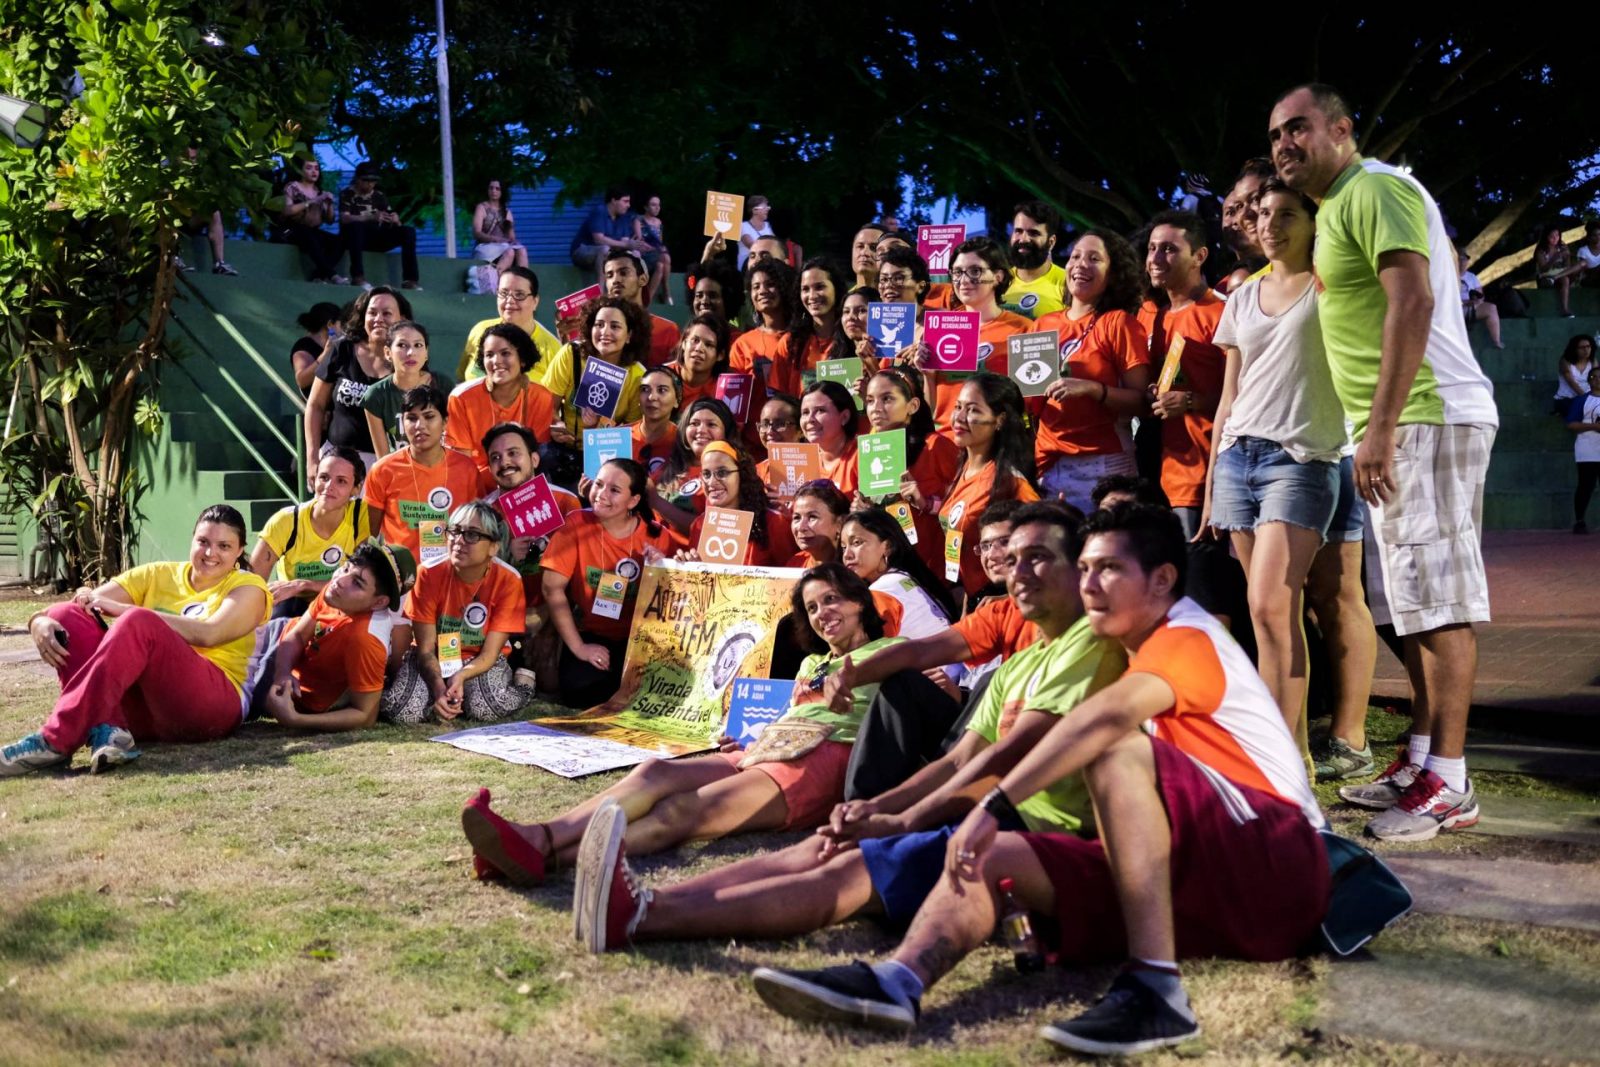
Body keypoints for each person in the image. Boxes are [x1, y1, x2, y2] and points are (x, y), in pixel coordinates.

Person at [749, 505, 1328, 1057]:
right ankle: (898, 981)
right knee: (991, 854)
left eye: (1109, 569)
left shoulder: (1184, 636)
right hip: (1194, 870)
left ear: (1162, 580)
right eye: (1086, 569)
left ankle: (1157, 992)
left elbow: (1098, 724)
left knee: (1112, 750)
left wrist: (988, 803)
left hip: (1275, 861)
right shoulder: (1110, 644)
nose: (1091, 584)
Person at [569, 505, 1127, 955]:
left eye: (1038, 558)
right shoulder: (1021, 661)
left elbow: (1009, 754)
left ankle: (641, 915)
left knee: (843, 870)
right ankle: (638, 896)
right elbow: (958, 761)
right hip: (970, 807)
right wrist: (881, 809)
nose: (1016, 569)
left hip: (1021, 831)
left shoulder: (1091, 646)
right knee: (821, 845)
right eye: (1011, 556)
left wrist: (900, 814)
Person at [1271, 82, 1499, 841]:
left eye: (1299, 128)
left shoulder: (1376, 188)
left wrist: (1381, 429)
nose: (1285, 145)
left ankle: (1450, 784)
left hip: (1424, 416)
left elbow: (1415, 304)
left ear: (1341, 128)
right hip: (1403, 422)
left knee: (1439, 602)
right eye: (1276, 135)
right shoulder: (1339, 206)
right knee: (1413, 602)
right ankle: (1426, 757)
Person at [464, 562, 905, 887]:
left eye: (832, 599)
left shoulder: (895, 651)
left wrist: (935, 680)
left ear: (860, 603)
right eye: (811, 607)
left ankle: (548, 858)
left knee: (682, 813)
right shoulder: (813, 661)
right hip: (767, 749)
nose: (822, 612)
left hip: (821, 763)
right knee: (655, 773)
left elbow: (924, 701)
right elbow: (796, 714)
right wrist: (751, 738)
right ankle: (538, 837)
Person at [1201, 177, 1347, 741]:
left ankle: (1285, 758)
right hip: (1239, 456)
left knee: (1270, 607)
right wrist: (1214, 477)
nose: (1270, 224)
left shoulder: (1329, 286)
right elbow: (1229, 396)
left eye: (1287, 214)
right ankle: (1279, 752)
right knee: (1265, 616)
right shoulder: (1241, 297)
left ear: (1314, 224)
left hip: (1302, 458)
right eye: (1263, 214)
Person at [2, 505, 270, 776]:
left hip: (211, 706)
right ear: (191, 540)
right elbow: (85, 600)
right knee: (66, 616)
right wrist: (38, 620)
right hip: (146, 711)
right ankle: (112, 732)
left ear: (239, 551)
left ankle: (55, 739)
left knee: (139, 622)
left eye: (224, 546)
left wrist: (127, 611)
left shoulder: (249, 587)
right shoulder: (159, 574)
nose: (210, 553)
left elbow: (210, 633)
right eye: (203, 542)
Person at [540, 458, 685, 707]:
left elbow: (680, 599)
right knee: (580, 692)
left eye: (614, 490)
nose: (601, 495)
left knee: (654, 693)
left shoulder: (658, 536)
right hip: (593, 636)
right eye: (598, 484)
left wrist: (661, 570)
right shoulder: (576, 523)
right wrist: (580, 648)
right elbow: (551, 588)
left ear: (633, 501)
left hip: (642, 641)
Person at [1028, 229, 1151, 512]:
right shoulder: (1042, 324)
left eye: (1094, 258)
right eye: (1075, 256)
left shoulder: (1119, 323)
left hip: (1103, 464)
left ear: (1114, 273)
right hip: (1048, 464)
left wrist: (1092, 389)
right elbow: (1030, 403)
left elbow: (1143, 402)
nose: (1081, 264)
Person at [381, 502, 533, 723]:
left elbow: (490, 653)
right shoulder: (427, 574)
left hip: (480, 658)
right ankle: (438, 701)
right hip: (434, 657)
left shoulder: (509, 580)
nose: (458, 541)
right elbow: (424, 650)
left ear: (494, 547)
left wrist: (460, 676)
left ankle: (524, 684)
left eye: (472, 535)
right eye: (454, 531)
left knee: (484, 710)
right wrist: (438, 687)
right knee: (401, 712)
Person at [248, 543, 415, 731]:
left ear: (379, 602)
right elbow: (297, 635)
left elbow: (365, 715)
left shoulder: (366, 639)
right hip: (280, 644)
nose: (340, 580)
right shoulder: (337, 592)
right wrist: (282, 674)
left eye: (357, 583)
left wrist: (296, 720)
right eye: (345, 568)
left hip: (295, 685)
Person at [1137, 211, 1227, 538]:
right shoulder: (1152, 318)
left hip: (1207, 478)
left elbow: (1251, 396)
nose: (1156, 258)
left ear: (1199, 256)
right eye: (1152, 248)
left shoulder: (1222, 312)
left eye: (1169, 249)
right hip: (1160, 476)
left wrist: (1190, 401)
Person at [480, 423, 584, 690]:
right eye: (496, 458)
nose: (505, 463)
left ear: (534, 459)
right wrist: (505, 553)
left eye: (514, 453)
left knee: (553, 684)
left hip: (555, 609)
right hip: (504, 613)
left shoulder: (566, 503)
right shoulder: (483, 512)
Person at [362, 384, 492, 567]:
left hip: (453, 573)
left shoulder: (466, 468)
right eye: (412, 418)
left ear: (445, 422)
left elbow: (479, 529)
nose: (419, 426)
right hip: (402, 578)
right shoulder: (383, 470)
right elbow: (366, 534)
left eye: (429, 417)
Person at [939, 375, 1039, 600]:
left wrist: (1007, 598)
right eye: (958, 407)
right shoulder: (963, 469)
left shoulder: (1009, 481)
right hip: (972, 597)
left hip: (1002, 600)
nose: (959, 418)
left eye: (973, 410)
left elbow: (1046, 546)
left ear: (999, 420)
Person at [918, 237, 1032, 430]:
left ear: (998, 276)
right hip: (947, 442)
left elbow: (1030, 403)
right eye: (957, 272)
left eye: (975, 271)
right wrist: (928, 376)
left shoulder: (1023, 329)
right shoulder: (941, 327)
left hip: (998, 443)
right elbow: (932, 410)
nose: (963, 280)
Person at [304, 286, 411, 483]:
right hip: (335, 463)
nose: (378, 318)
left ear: (402, 319)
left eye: (386, 313)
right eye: (372, 312)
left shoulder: (410, 357)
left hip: (385, 467)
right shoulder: (342, 349)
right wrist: (311, 458)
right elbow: (315, 405)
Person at [251, 448, 373, 619]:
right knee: (280, 613)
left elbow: (357, 583)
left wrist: (304, 584)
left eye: (341, 481)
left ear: (356, 489)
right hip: (293, 605)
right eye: (324, 477)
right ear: (314, 480)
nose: (329, 486)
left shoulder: (361, 515)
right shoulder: (286, 521)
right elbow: (251, 582)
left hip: (337, 602)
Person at [861, 365, 958, 566]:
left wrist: (926, 504)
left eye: (887, 399)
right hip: (888, 564)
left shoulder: (935, 445)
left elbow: (965, 507)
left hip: (935, 566)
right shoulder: (868, 450)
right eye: (870, 400)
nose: (876, 408)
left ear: (912, 406)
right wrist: (864, 510)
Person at [540, 296, 651, 449]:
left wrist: (598, 427)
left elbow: (633, 431)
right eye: (599, 325)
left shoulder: (637, 376)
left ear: (629, 336)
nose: (605, 332)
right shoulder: (571, 354)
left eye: (615, 326)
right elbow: (547, 406)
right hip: (563, 447)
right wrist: (556, 423)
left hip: (608, 453)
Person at [446, 324, 559, 471]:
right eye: (489, 355)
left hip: (523, 484)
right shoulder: (461, 398)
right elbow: (460, 464)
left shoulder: (541, 397)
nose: (496, 361)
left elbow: (535, 459)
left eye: (505, 353)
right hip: (476, 486)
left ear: (522, 359)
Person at [679, 441, 795, 565]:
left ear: (742, 474)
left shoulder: (773, 522)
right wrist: (688, 566)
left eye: (722, 473)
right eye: (706, 474)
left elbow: (791, 575)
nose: (711, 482)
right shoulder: (699, 525)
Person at [362, 320, 456, 458]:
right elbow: (383, 457)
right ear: (388, 353)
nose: (411, 352)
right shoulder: (376, 395)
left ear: (426, 353)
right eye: (402, 345)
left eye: (418, 345)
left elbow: (454, 439)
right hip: (400, 470)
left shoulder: (443, 385)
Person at [457, 267, 563, 382]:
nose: (509, 300)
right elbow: (462, 379)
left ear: (535, 301)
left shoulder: (553, 350)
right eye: (503, 293)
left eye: (519, 295)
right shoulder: (480, 330)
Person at [651, 398, 738, 529]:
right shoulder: (668, 467)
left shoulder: (730, 474)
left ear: (726, 433)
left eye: (711, 424)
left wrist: (657, 502)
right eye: (694, 423)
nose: (701, 430)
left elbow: (712, 530)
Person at [774, 257, 853, 395]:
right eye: (805, 289)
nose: (812, 296)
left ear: (836, 288)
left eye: (820, 287)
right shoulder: (790, 342)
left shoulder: (854, 338)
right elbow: (780, 397)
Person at [339, 161, 420, 291]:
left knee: (408, 231)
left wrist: (395, 220)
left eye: (373, 181)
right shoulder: (347, 194)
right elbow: (345, 218)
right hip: (355, 239)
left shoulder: (379, 196)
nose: (370, 184)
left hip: (377, 237)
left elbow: (389, 214)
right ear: (358, 179)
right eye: (366, 180)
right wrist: (370, 217)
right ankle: (358, 277)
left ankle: (410, 280)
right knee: (356, 227)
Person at [729, 259, 797, 397]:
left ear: (785, 288)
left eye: (770, 284)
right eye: (756, 287)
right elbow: (734, 398)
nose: (762, 291)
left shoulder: (805, 337)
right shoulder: (743, 345)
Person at [601, 250, 679, 368]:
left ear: (643, 279)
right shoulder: (598, 330)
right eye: (609, 275)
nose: (615, 280)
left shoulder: (668, 331)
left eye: (623, 273)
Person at [275, 157, 347, 284]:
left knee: (339, 241)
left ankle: (318, 275)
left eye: (316, 168)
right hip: (291, 230)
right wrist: (312, 202)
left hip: (311, 231)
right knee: (307, 234)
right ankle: (332, 275)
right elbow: (287, 211)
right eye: (309, 168)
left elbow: (330, 220)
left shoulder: (319, 192)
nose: (314, 172)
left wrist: (329, 204)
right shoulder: (293, 187)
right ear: (300, 171)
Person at [1002, 201, 1067, 318]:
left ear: (1051, 242)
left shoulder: (1068, 284)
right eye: (1018, 231)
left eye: (1033, 233)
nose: (1023, 239)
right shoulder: (997, 282)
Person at [570, 186, 647, 281]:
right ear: (614, 200)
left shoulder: (622, 217)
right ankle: (600, 292)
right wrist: (625, 244)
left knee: (635, 254)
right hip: (582, 251)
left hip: (607, 254)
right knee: (604, 249)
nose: (628, 205)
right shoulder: (600, 211)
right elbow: (598, 239)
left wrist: (634, 246)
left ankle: (624, 293)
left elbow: (625, 242)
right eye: (625, 201)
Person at [801, 381, 861, 495]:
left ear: (844, 417)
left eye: (820, 410)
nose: (809, 419)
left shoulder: (862, 455)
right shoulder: (800, 461)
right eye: (805, 412)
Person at [669, 314, 730, 410]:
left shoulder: (726, 390)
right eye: (695, 340)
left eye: (709, 344)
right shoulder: (660, 375)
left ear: (720, 355)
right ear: (684, 343)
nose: (699, 348)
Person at [786, 480, 852, 569]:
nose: (801, 527)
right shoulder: (795, 564)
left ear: (840, 523)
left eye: (812, 517)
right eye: (797, 518)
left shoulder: (854, 568)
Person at [631, 365, 682, 479]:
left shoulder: (683, 442)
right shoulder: (619, 437)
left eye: (662, 390)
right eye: (645, 389)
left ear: (677, 400)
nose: (652, 397)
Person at [1569, 364, 1600, 533]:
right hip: (1587, 450)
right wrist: (1594, 427)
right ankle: (1580, 520)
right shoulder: (1582, 401)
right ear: (1589, 381)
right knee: (1585, 486)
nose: (1597, 380)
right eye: (1594, 377)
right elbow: (1572, 424)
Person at [471, 179, 527, 273]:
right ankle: (495, 282)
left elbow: (511, 237)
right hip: (485, 247)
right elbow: (477, 233)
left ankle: (524, 283)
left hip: (503, 246)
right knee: (510, 252)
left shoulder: (506, 211)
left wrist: (512, 238)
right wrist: (496, 239)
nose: (494, 191)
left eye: (497, 189)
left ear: (502, 192)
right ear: (487, 190)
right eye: (491, 188)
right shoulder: (481, 207)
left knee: (522, 250)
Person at [289, 301, 341, 398]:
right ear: (330, 324)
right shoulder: (303, 347)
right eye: (341, 323)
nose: (344, 328)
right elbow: (302, 380)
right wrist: (326, 354)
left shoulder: (339, 346)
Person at [754, 393, 803, 491]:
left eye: (780, 424)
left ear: (801, 430)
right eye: (765, 424)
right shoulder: (755, 473)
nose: (770, 431)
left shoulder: (818, 469)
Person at [1457, 251, 1503, 350]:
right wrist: (1464, 302)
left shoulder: (1472, 277)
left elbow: (1480, 296)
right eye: (1460, 259)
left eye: (1464, 259)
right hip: (1456, 308)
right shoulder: (1449, 275)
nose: (1462, 262)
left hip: (1472, 306)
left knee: (1492, 308)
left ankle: (1496, 341)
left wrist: (1477, 301)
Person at [634, 194, 672, 306]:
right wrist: (656, 248)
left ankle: (647, 300)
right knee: (665, 256)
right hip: (644, 254)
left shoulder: (659, 222)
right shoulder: (638, 220)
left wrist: (659, 248)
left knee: (661, 264)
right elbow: (640, 240)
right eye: (653, 205)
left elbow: (659, 241)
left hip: (657, 255)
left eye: (658, 205)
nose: (657, 208)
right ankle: (666, 290)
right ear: (646, 207)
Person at [1533, 224, 1578, 318]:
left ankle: (1565, 309)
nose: (1555, 238)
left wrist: (1567, 257)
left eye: (1557, 236)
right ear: (1546, 237)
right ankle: (1565, 309)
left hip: (1560, 275)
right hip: (1545, 277)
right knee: (1564, 279)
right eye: (1552, 236)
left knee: (1578, 267)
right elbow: (1543, 269)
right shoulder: (1541, 250)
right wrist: (1554, 258)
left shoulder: (1562, 247)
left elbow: (1567, 266)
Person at [690, 257, 745, 330]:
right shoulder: (688, 337)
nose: (704, 301)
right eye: (699, 296)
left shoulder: (740, 340)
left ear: (727, 301)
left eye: (712, 296)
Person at [1554, 333, 1595, 415]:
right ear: (1574, 349)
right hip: (1566, 400)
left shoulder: (1593, 361)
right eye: (1582, 348)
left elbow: (1596, 379)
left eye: (1588, 346)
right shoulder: (1565, 361)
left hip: (1587, 399)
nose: (1586, 350)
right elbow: (1571, 382)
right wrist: (1587, 399)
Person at [738, 195, 776, 270]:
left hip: (767, 268)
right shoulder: (743, 226)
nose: (767, 210)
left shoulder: (769, 226)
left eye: (768, 207)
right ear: (754, 210)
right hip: (746, 269)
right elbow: (752, 246)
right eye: (764, 207)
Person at [849, 222, 886, 291]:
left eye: (874, 248)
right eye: (860, 246)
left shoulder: (899, 300)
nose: (865, 252)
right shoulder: (842, 300)